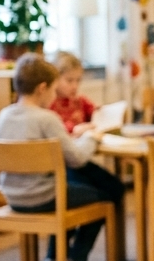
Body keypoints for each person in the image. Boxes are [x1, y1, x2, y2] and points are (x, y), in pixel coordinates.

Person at [0, 54, 123, 261]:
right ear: (43, 89)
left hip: (13, 197)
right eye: (54, 89)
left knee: (75, 193)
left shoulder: (4, 115)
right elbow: (76, 157)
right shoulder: (47, 119)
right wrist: (91, 138)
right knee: (103, 198)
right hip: (44, 196)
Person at [49, 51, 126, 230]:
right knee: (99, 195)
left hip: (81, 158)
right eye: (69, 81)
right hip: (64, 163)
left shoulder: (79, 100)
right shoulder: (50, 103)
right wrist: (75, 129)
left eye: (78, 80)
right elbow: (54, 126)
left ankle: (75, 255)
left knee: (115, 188)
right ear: (55, 79)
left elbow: (95, 112)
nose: (75, 86)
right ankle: (66, 254)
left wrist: (101, 114)